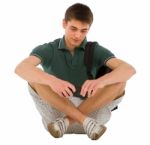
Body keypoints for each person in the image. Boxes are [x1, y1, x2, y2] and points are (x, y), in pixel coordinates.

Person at [15, 3, 136, 140]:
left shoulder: (95, 49)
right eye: (73, 28)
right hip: (56, 117)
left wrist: (100, 82)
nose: (78, 35)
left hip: (92, 118)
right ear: (64, 23)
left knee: (120, 81)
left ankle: (69, 120)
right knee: (34, 76)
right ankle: (76, 119)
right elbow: (21, 68)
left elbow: (129, 69)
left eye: (83, 30)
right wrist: (52, 81)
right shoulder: (48, 49)